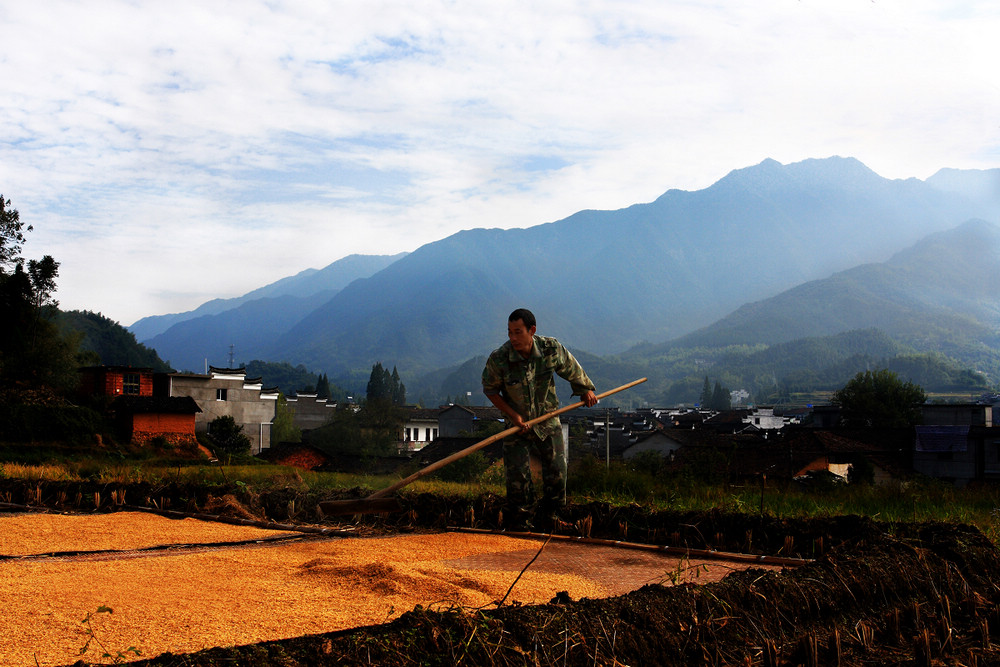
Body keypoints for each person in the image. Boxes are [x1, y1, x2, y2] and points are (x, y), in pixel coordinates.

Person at [482, 308, 597, 531]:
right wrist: (513, 416)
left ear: (531, 331)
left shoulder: (550, 348)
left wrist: (585, 390)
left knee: (557, 468)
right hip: (517, 425)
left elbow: (571, 368)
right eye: (509, 333)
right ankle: (521, 521)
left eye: (518, 332)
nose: (513, 338)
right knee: (518, 475)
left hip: (546, 417)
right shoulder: (499, 359)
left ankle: (551, 517)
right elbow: (490, 390)